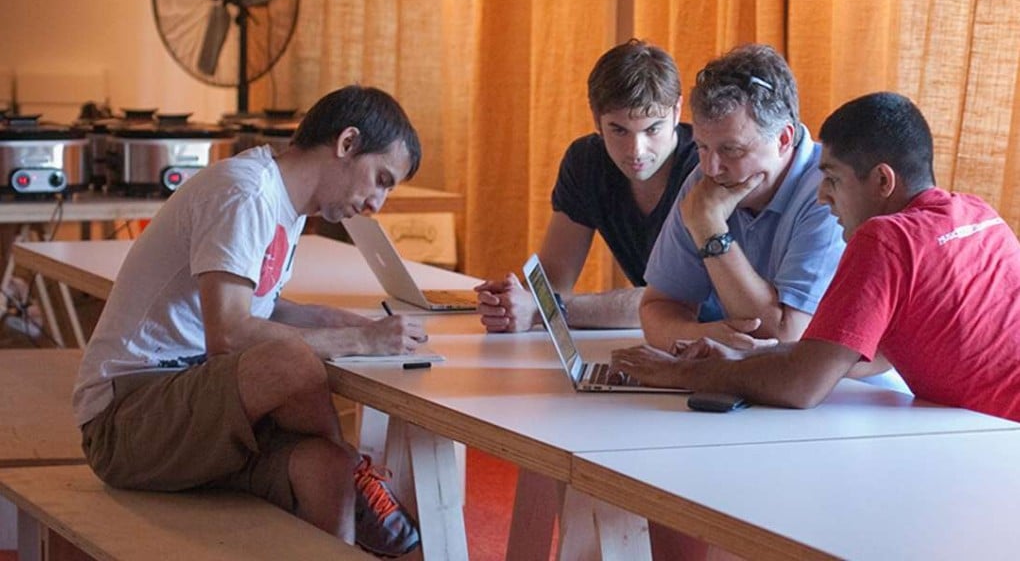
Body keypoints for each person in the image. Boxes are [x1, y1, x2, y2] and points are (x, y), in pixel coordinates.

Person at [72, 86, 427, 557]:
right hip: (127, 419)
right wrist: (358, 338)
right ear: (347, 143)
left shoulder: (286, 204)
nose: (376, 203)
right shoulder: (245, 192)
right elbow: (231, 333)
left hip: (193, 406)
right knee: (288, 360)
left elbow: (266, 310)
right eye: (381, 179)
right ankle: (359, 468)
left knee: (326, 469)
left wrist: (357, 326)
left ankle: (349, 471)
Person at [612, 91, 1020, 421]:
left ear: (882, 180)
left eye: (833, 179)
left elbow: (802, 386)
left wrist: (682, 373)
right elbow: (842, 354)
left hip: (998, 443)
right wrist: (750, 355)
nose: (823, 196)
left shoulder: (885, 238)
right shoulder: (977, 213)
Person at [475, 39, 699, 331]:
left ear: (677, 110)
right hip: (662, 338)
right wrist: (514, 301)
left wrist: (545, 309)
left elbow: (675, 301)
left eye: (652, 129)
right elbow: (555, 277)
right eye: (618, 130)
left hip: (723, 340)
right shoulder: (586, 161)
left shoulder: (706, 166)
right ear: (596, 119)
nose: (636, 151)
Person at [640, 43, 845, 351]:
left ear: (784, 139)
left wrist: (710, 229)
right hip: (758, 386)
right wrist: (704, 337)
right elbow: (655, 309)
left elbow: (788, 340)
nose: (711, 168)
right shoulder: (705, 180)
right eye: (702, 147)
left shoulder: (829, 189)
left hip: (860, 392)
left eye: (732, 150)